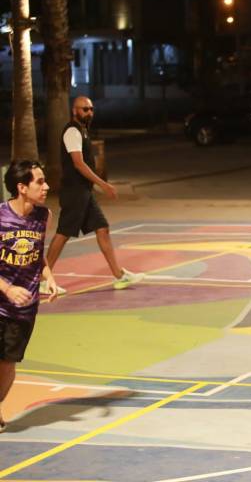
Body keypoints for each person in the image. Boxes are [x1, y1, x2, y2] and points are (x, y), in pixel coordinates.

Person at [43, 96, 144, 294]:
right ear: (75, 111)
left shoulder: (83, 131)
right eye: (84, 109)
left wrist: (95, 186)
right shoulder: (72, 131)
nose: (89, 112)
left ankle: (119, 275)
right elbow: (78, 163)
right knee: (63, 234)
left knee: (102, 228)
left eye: (91, 109)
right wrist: (103, 184)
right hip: (74, 192)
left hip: (84, 192)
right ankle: (42, 279)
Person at [1, 160, 60, 432]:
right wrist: (8, 289)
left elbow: (40, 256)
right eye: (40, 182)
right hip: (2, 299)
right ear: (21, 187)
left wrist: (50, 278)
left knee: (7, 365)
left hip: (23, 309)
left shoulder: (43, 216)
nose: (46, 186)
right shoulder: (0, 217)